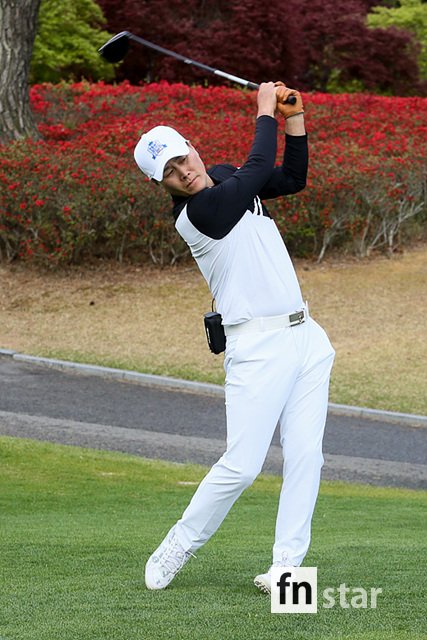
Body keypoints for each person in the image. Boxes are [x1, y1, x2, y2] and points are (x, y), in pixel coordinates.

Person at [133, 82, 335, 594]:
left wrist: (294, 120)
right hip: (256, 350)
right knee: (243, 467)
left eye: (183, 159)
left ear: (192, 148)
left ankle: (287, 570)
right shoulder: (197, 215)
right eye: (171, 174)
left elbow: (290, 177)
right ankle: (179, 542)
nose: (184, 172)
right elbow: (251, 173)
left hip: (304, 337)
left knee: (307, 455)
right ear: (165, 185)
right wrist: (263, 111)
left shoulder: (224, 179)